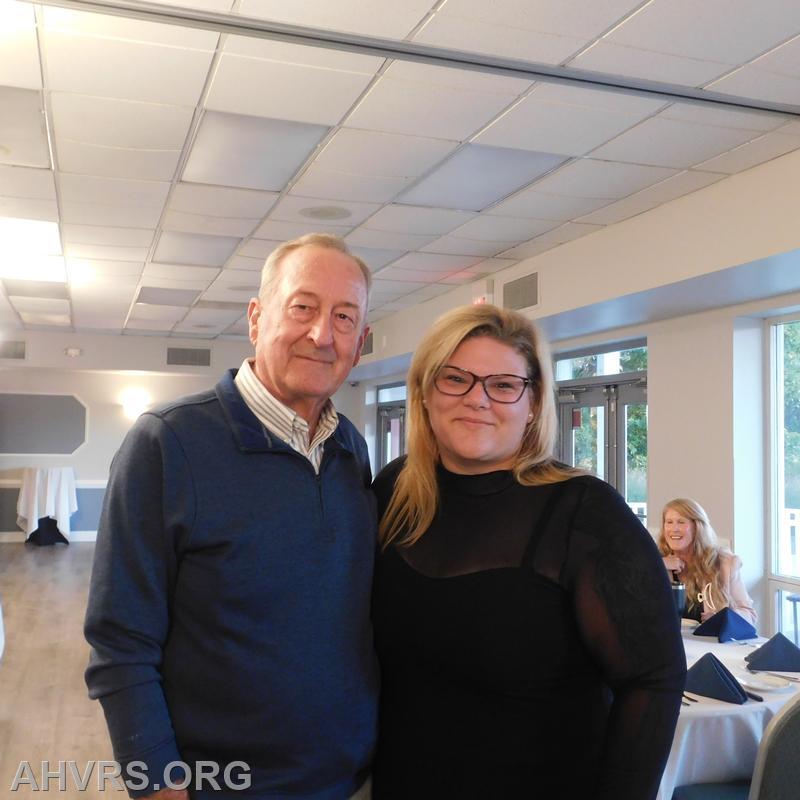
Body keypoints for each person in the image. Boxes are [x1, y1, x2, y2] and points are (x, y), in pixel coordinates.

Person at [85, 233, 378, 800]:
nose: (323, 335)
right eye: (303, 307)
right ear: (256, 317)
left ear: (361, 342)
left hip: (350, 776)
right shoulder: (168, 444)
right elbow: (120, 642)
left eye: (345, 317)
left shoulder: (350, 448)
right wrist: (156, 785)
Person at [371, 304, 685, 800]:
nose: (478, 399)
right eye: (456, 379)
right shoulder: (393, 493)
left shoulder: (585, 513)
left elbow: (653, 679)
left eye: (503, 384)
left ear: (534, 402)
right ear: (425, 393)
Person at [659, 497, 757, 624]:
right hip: (668, 641)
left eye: (681, 522)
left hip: (710, 642)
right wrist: (659, 565)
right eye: (669, 522)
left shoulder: (724, 563)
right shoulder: (656, 561)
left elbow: (750, 615)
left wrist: (723, 617)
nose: (674, 529)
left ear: (697, 527)